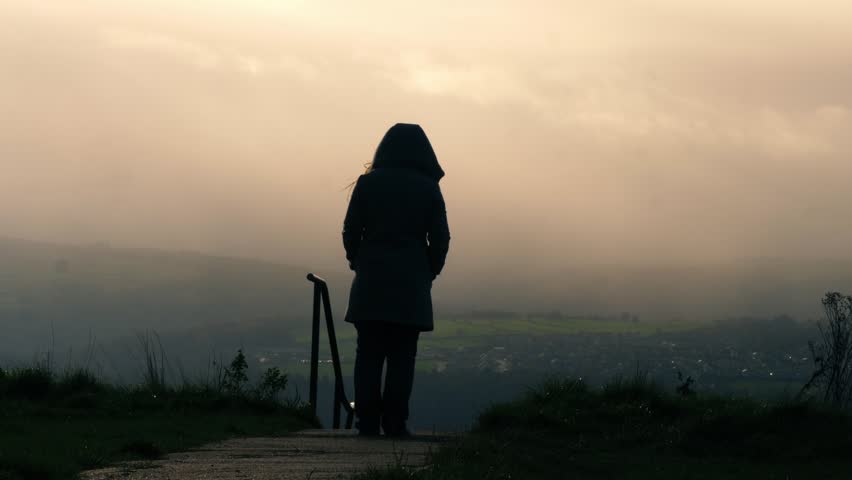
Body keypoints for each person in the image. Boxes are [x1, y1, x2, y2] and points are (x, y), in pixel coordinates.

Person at [342, 123, 450, 437]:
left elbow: (351, 231)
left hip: (370, 283)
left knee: (368, 354)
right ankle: (395, 422)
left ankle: (367, 423)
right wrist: (428, 272)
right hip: (410, 285)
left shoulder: (367, 184)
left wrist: (358, 262)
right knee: (403, 356)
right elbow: (440, 239)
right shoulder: (429, 188)